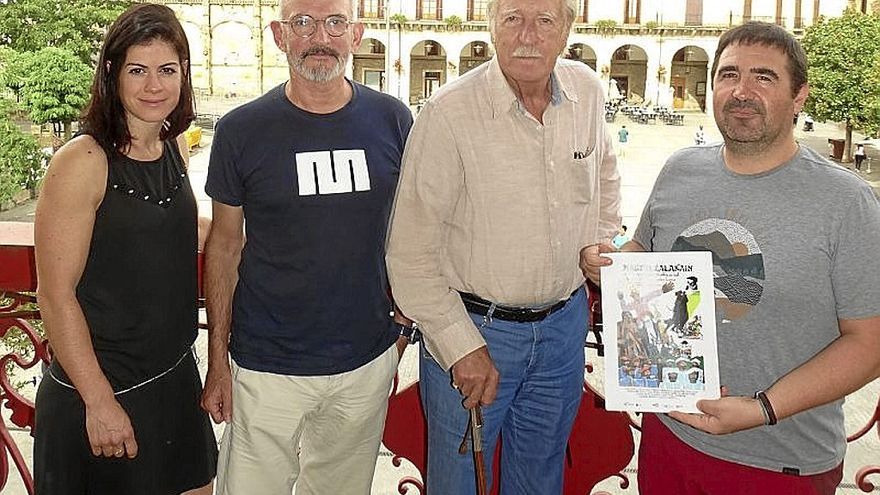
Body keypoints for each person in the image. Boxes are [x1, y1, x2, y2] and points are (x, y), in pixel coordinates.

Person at [582, 22, 880, 495]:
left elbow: (870, 343)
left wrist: (763, 407)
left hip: (780, 460)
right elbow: (645, 258)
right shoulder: (680, 168)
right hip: (670, 437)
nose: (741, 91)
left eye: (763, 77)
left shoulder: (847, 201)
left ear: (799, 95)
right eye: (728, 75)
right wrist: (610, 263)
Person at [385, 0, 621, 492]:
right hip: (476, 332)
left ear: (568, 28)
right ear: (491, 24)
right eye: (512, 17)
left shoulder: (588, 92)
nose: (527, 35)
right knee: (459, 483)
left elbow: (605, 177)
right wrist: (458, 346)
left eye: (544, 20)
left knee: (539, 479)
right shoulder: (449, 113)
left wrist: (599, 242)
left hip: (563, 331)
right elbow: (409, 252)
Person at [199, 0, 413, 492]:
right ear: (279, 35)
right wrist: (217, 365)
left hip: (365, 361)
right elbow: (225, 248)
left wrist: (403, 328)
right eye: (303, 23)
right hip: (266, 366)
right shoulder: (241, 130)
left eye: (335, 22)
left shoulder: (392, 119)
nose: (320, 36)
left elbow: (414, 229)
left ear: (356, 34)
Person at [32, 4, 217, 494]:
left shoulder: (172, 147)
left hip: (173, 382)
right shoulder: (82, 161)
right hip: (101, 391)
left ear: (183, 75)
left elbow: (165, 230)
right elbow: (54, 294)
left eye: (167, 70)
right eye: (138, 70)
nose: (154, 86)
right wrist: (99, 401)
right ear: (112, 73)